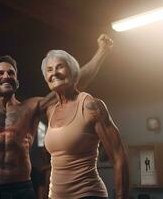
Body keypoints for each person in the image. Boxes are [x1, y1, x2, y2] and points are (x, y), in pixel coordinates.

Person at [0, 10, 113, 199]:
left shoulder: (31, 107)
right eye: (0, 73)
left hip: (20, 189)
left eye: (11, 73)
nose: (6, 76)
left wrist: (101, 52)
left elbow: (73, 82)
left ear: (17, 81)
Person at [41, 50, 129, 199]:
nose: (54, 73)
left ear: (73, 72)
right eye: (49, 70)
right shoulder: (50, 111)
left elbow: (118, 156)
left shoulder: (91, 106)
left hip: (88, 194)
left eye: (60, 67)